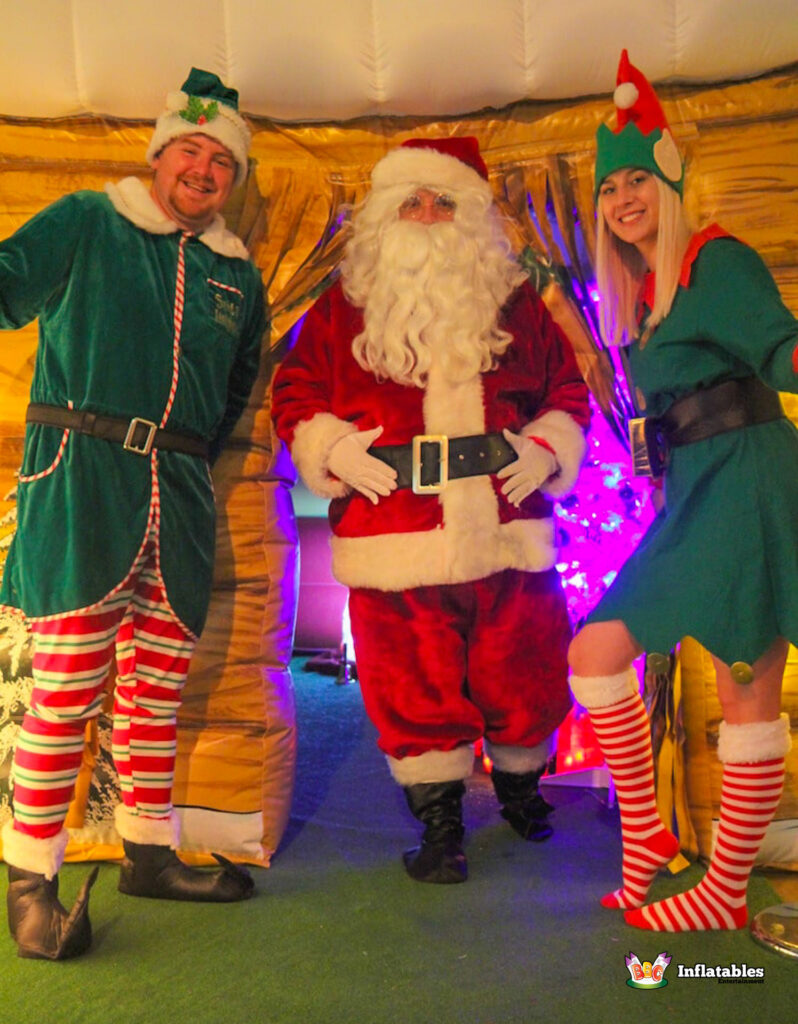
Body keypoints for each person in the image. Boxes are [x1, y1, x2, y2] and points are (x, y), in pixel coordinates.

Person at [272, 137, 590, 884]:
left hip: (506, 523)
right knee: (410, 680)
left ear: (470, 216)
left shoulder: (516, 301)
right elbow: (296, 390)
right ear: (384, 215)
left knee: (525, 666)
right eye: (409, 201)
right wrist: (330, 447)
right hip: (392, 530)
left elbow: (566, 391)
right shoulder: (342, 308)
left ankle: (521, 786)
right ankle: (440, 821)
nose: (424, 215)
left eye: (442, 202)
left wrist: (547, 449)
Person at [0, 67, 266, 959]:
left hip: (179, 492)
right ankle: (29, 884)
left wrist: (179, 452)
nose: (203, 169)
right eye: (189, 150)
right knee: (67, 689)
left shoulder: (237, 275)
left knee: (156, 690)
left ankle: (148, 855)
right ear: (158, 156)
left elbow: (236, 386)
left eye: (221, 160)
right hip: (83, 480)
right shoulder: (87, 219)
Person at [568, 50, 798, 932]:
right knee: (596, 655)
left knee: (746, 689)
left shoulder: (718, 261)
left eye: (637, 179)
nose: (623, 198)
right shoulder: (643, 294)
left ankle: (724, 893)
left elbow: (780, 349)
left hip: (747, 484)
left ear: (669, 180)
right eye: (609, 187)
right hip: (693, 494)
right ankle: (647, 840)